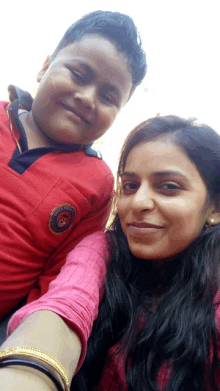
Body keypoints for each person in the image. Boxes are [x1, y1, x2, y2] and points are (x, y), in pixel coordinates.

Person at [2, 115, 220, 390]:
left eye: (168, 187)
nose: (137, 203)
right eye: (130, 186)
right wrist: (30, 370)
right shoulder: (103, 249)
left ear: (214, 208)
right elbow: (66, 303)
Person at [0, 10, 147, 326]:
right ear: (44, 67)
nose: (87, 98)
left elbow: (56, 276)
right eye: (79, 75)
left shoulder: (96, 183)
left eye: (109, 97)